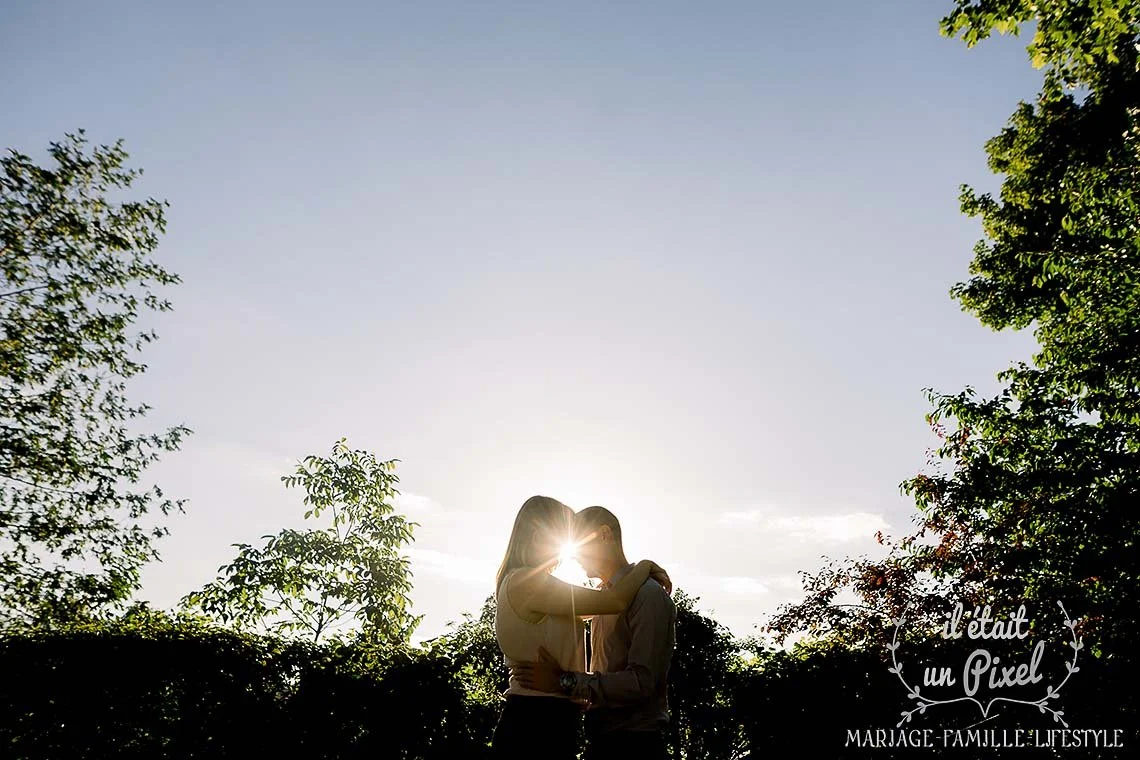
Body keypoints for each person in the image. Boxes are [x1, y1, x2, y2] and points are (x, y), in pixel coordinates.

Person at [491, 496, 671, 760]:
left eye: (579, 542)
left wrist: (568, 684)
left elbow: (641, 680)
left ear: (604, 535)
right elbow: (615, 601)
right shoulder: (528, 582)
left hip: (585, 731)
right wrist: (645, 565)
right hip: (536, 722)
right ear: (538, 535)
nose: (572, 554)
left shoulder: (642, 595)